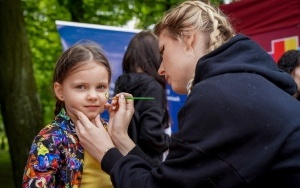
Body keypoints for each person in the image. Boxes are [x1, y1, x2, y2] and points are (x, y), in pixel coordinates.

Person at [74, 1, 300, 187]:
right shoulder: (241, 86)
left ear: (188, 38)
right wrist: (122, 139)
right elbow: (175, 178)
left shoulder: (217, 94)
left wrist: (106, 152)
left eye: (163, 51)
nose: (160, 69)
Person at [22, 41, 113, 188]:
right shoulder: (50, 139)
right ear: (60, 91)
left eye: (101, 87)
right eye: (81, 87)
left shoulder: (112, 131)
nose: (93, 96)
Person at [113, 30, 170, 161]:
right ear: (155, 55)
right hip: (147, 161)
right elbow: (151, 133)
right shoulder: (152, 86)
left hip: (122, 158)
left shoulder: (121, 82)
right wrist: (170, 141)